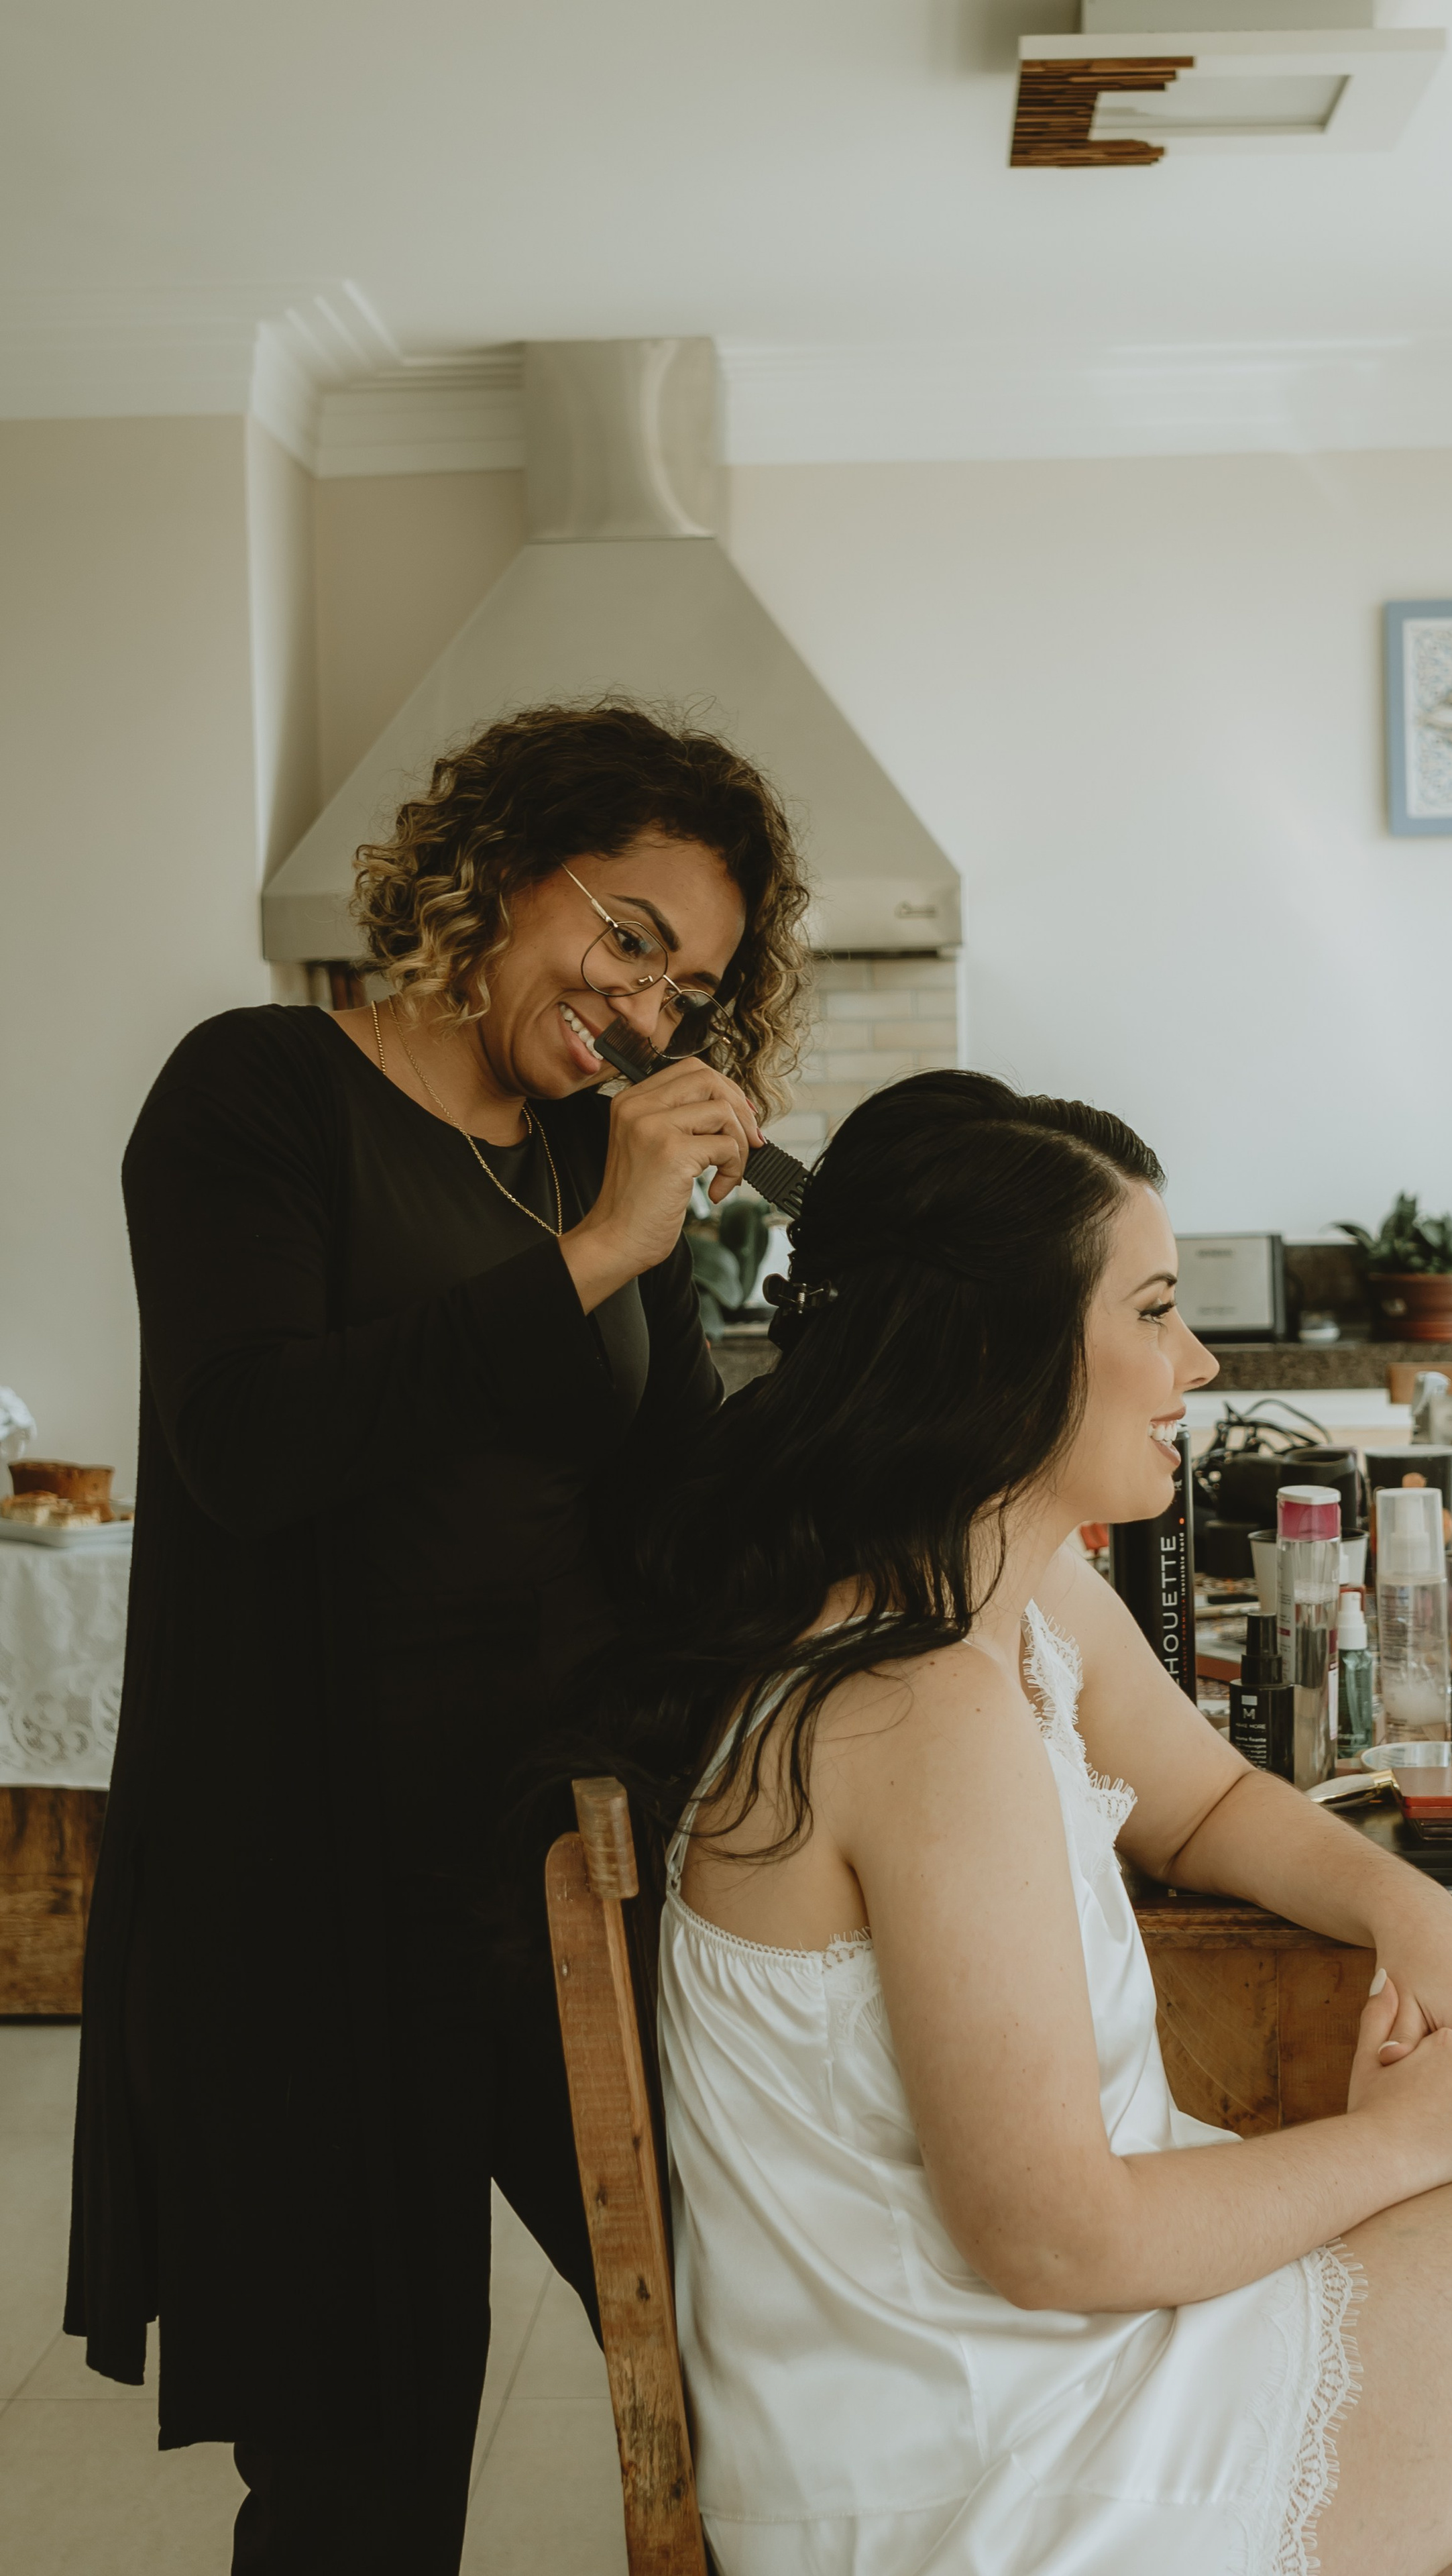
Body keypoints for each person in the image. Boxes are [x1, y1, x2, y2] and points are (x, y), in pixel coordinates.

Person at [559, 1069, 1452, 2576]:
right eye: (1153, 1310)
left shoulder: (1004, 1594)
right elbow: (1055, 2240)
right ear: (1004, 1357)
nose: (1199, 1355)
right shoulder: (915, 1709)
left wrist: (1404, 1905)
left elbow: (1203, 1797)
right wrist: (1406, 2144)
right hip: (993, 2479)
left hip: (1059, 2386)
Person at [64, 700, 809, 2573]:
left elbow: (688, 1514)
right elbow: (251, 1444)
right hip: (304, 1899)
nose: (644, 1010)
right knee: (363, 2480)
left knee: (748, 2355)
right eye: (627, 935)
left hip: (559, 1874)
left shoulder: (586, 1170)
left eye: (687, 990)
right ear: (503, 866)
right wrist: (604, 1255)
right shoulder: (253, 1097)